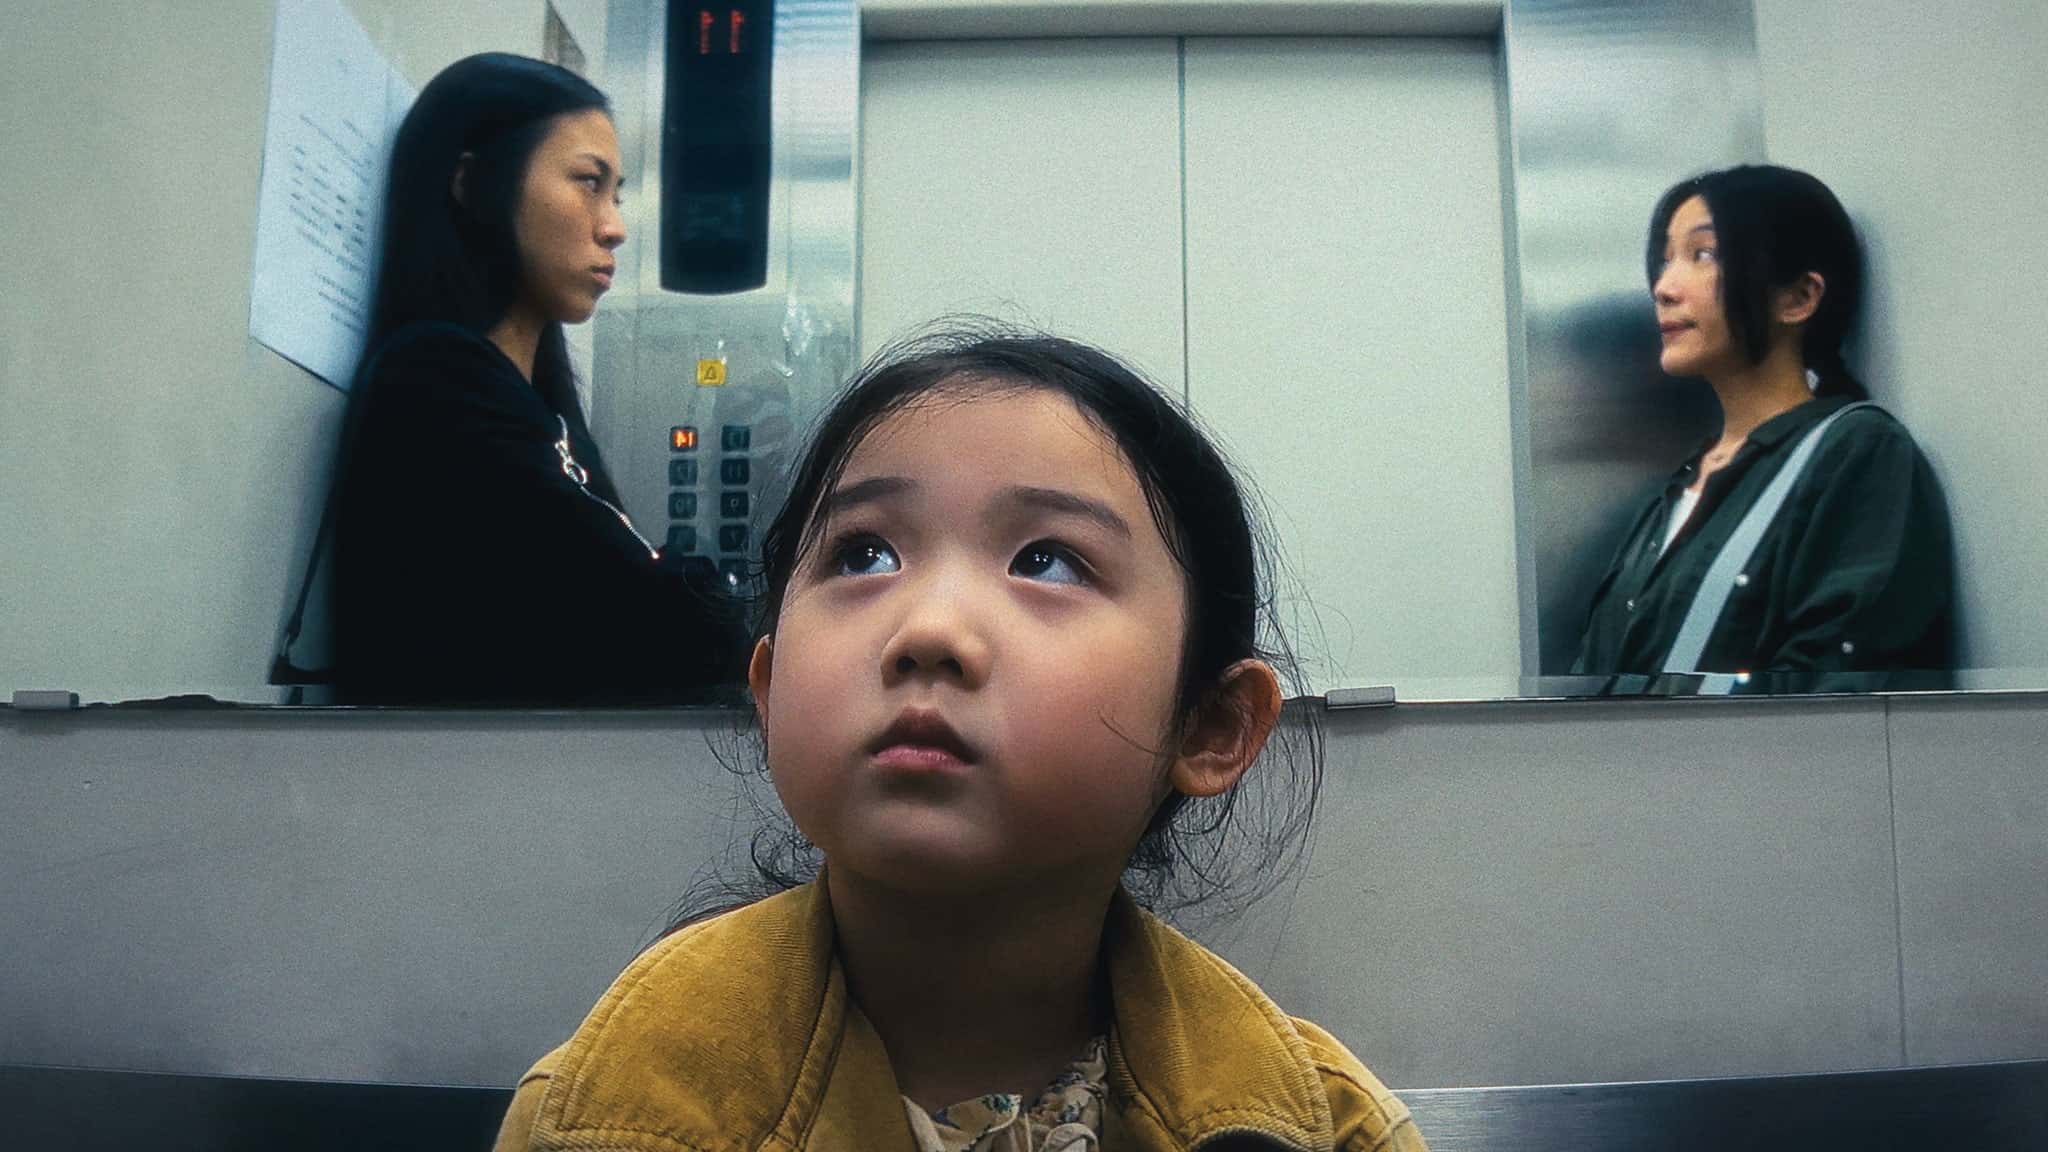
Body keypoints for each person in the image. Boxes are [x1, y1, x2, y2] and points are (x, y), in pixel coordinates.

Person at [492, 328, 1429, 1151]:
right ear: (770, 694)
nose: (929, 629)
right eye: (865, 554)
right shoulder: (595, 1117)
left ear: (1211, 725)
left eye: (1047, 561)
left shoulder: (1331, 1133)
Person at [328, 53, 742, 704]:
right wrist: (696, 590)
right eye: (586, 182)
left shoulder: (538, 408)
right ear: (472, 184)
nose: (615, 227)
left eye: (616, 193)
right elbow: (666, 628)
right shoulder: (437, 381)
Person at [1574, 165, 1954, 693]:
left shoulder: (1857, 453)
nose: (1663, 287)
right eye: (1665, 260)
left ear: (1798, 298)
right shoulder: (1675, 490)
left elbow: (1840, 698)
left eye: (1703, 254)